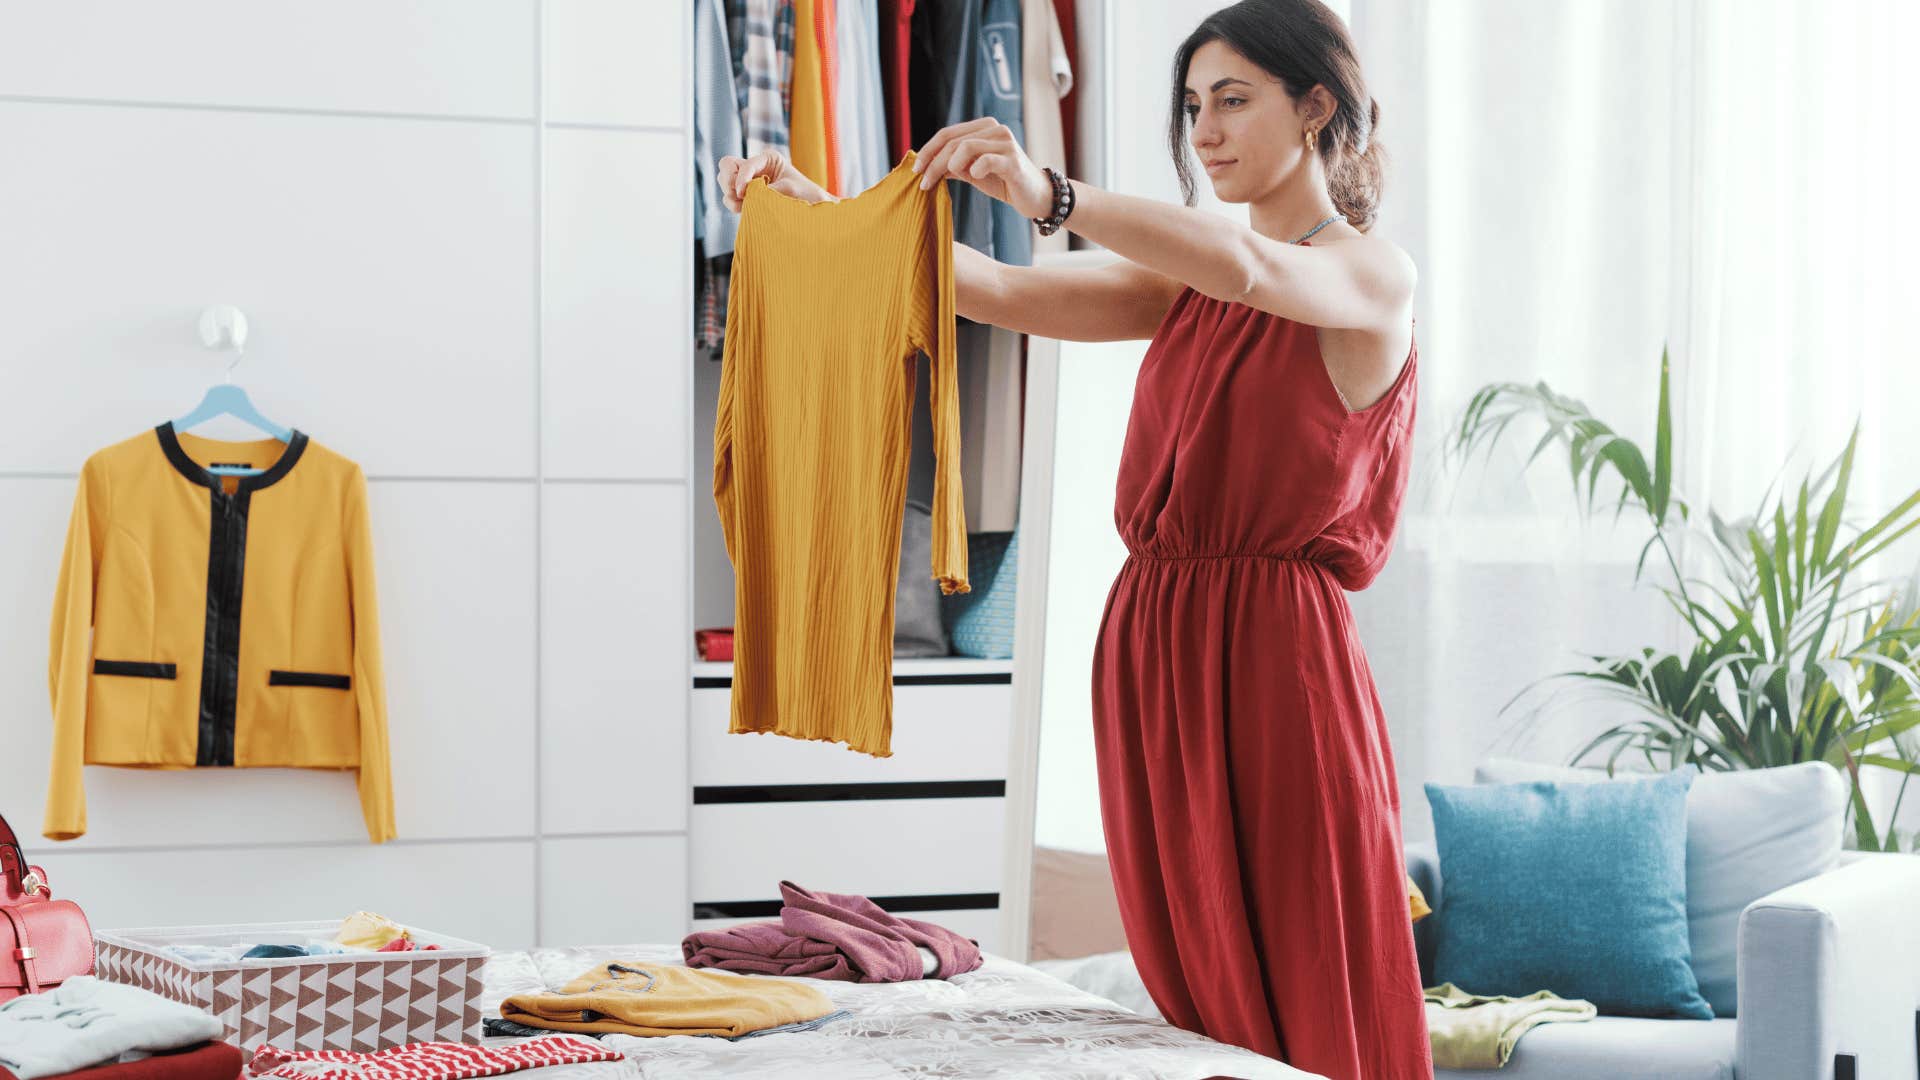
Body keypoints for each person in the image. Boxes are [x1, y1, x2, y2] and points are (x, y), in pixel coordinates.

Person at [716, 1, 1428, 1076]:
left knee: (1306, 961)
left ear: (1317, 105)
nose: (1207, 132)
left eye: (1234, 101)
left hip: (1278, 663)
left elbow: (1254, 272)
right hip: (1155, 653)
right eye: (1193, 107)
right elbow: (995, 289)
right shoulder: (1193, 276)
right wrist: (823, 212)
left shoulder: (1369, 277)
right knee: (1195, 979)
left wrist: (1053, 193)